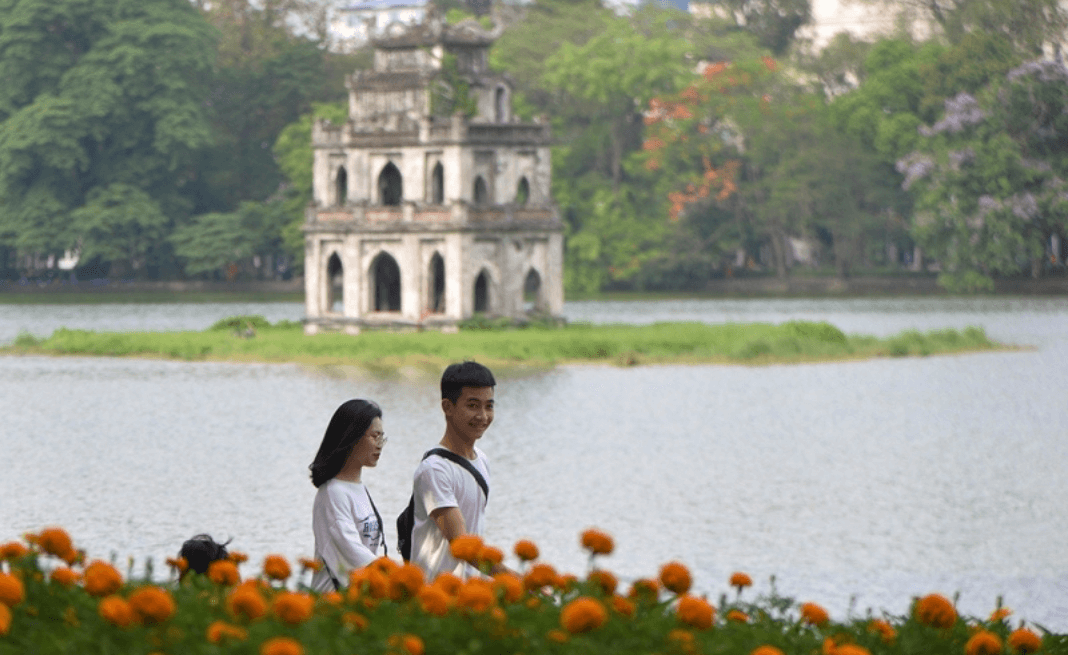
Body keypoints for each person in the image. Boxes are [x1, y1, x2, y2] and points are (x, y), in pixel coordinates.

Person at [410, 361, 501, 580]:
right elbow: (463, 546)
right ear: (447, 407)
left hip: (468, 591)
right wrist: (521, 581)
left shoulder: (482, 460)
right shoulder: (435, 470)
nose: (483, 416)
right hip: (437, 595)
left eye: (488, 406)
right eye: (472, 405)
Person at [308, 399, 388, 592]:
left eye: (382, 437)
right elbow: (351, 551)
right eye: (374, 436)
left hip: (358, 598)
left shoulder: (358, 489)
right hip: (331, 606)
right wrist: (394, 576)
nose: (379, 445)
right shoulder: (333, 492)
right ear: (351, 437)